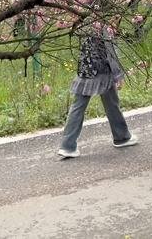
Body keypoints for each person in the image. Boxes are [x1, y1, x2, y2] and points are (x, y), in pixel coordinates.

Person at [58, 24, 137, 158]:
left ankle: (67, 145)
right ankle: (121, 137)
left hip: (85, 69)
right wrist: (118, 75)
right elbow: (110, 52)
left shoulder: (85, 19)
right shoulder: (103, 23)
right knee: (112, 104)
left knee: (78, 106)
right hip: (102, 70)